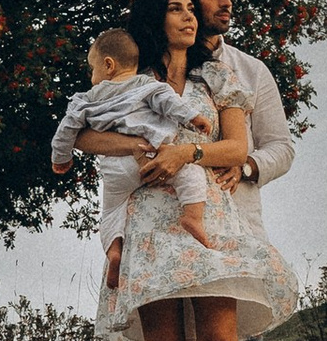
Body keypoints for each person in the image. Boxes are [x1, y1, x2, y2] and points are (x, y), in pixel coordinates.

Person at [70, 0, 298, 341]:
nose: (191, 16)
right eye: (177, 8)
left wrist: (184, 155)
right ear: (155, 16)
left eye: (191, 8)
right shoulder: (132, 80)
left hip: (206, 213)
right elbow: (84, 137)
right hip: (148, 218)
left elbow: (236, 147)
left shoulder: (215, 77)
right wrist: (139, 146)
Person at [176, 0, 296, 341]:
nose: (226, 2)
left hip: (237, 225)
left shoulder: (249, 69)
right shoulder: (154, 71)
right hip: (176, 231)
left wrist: (245, 165)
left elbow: (282, 147)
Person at [51, 29, 215, 283]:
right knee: (192, 174)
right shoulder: (147, 86)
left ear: (108, 65)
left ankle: (114, 250)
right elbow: (169, 102)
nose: (92, 76)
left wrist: (61, 158)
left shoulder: (84, 100)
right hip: (154, 154)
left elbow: (66, 130)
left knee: (112, 210)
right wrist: (194, 117)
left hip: (117, 168)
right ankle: (193, 217)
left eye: (91, 68)